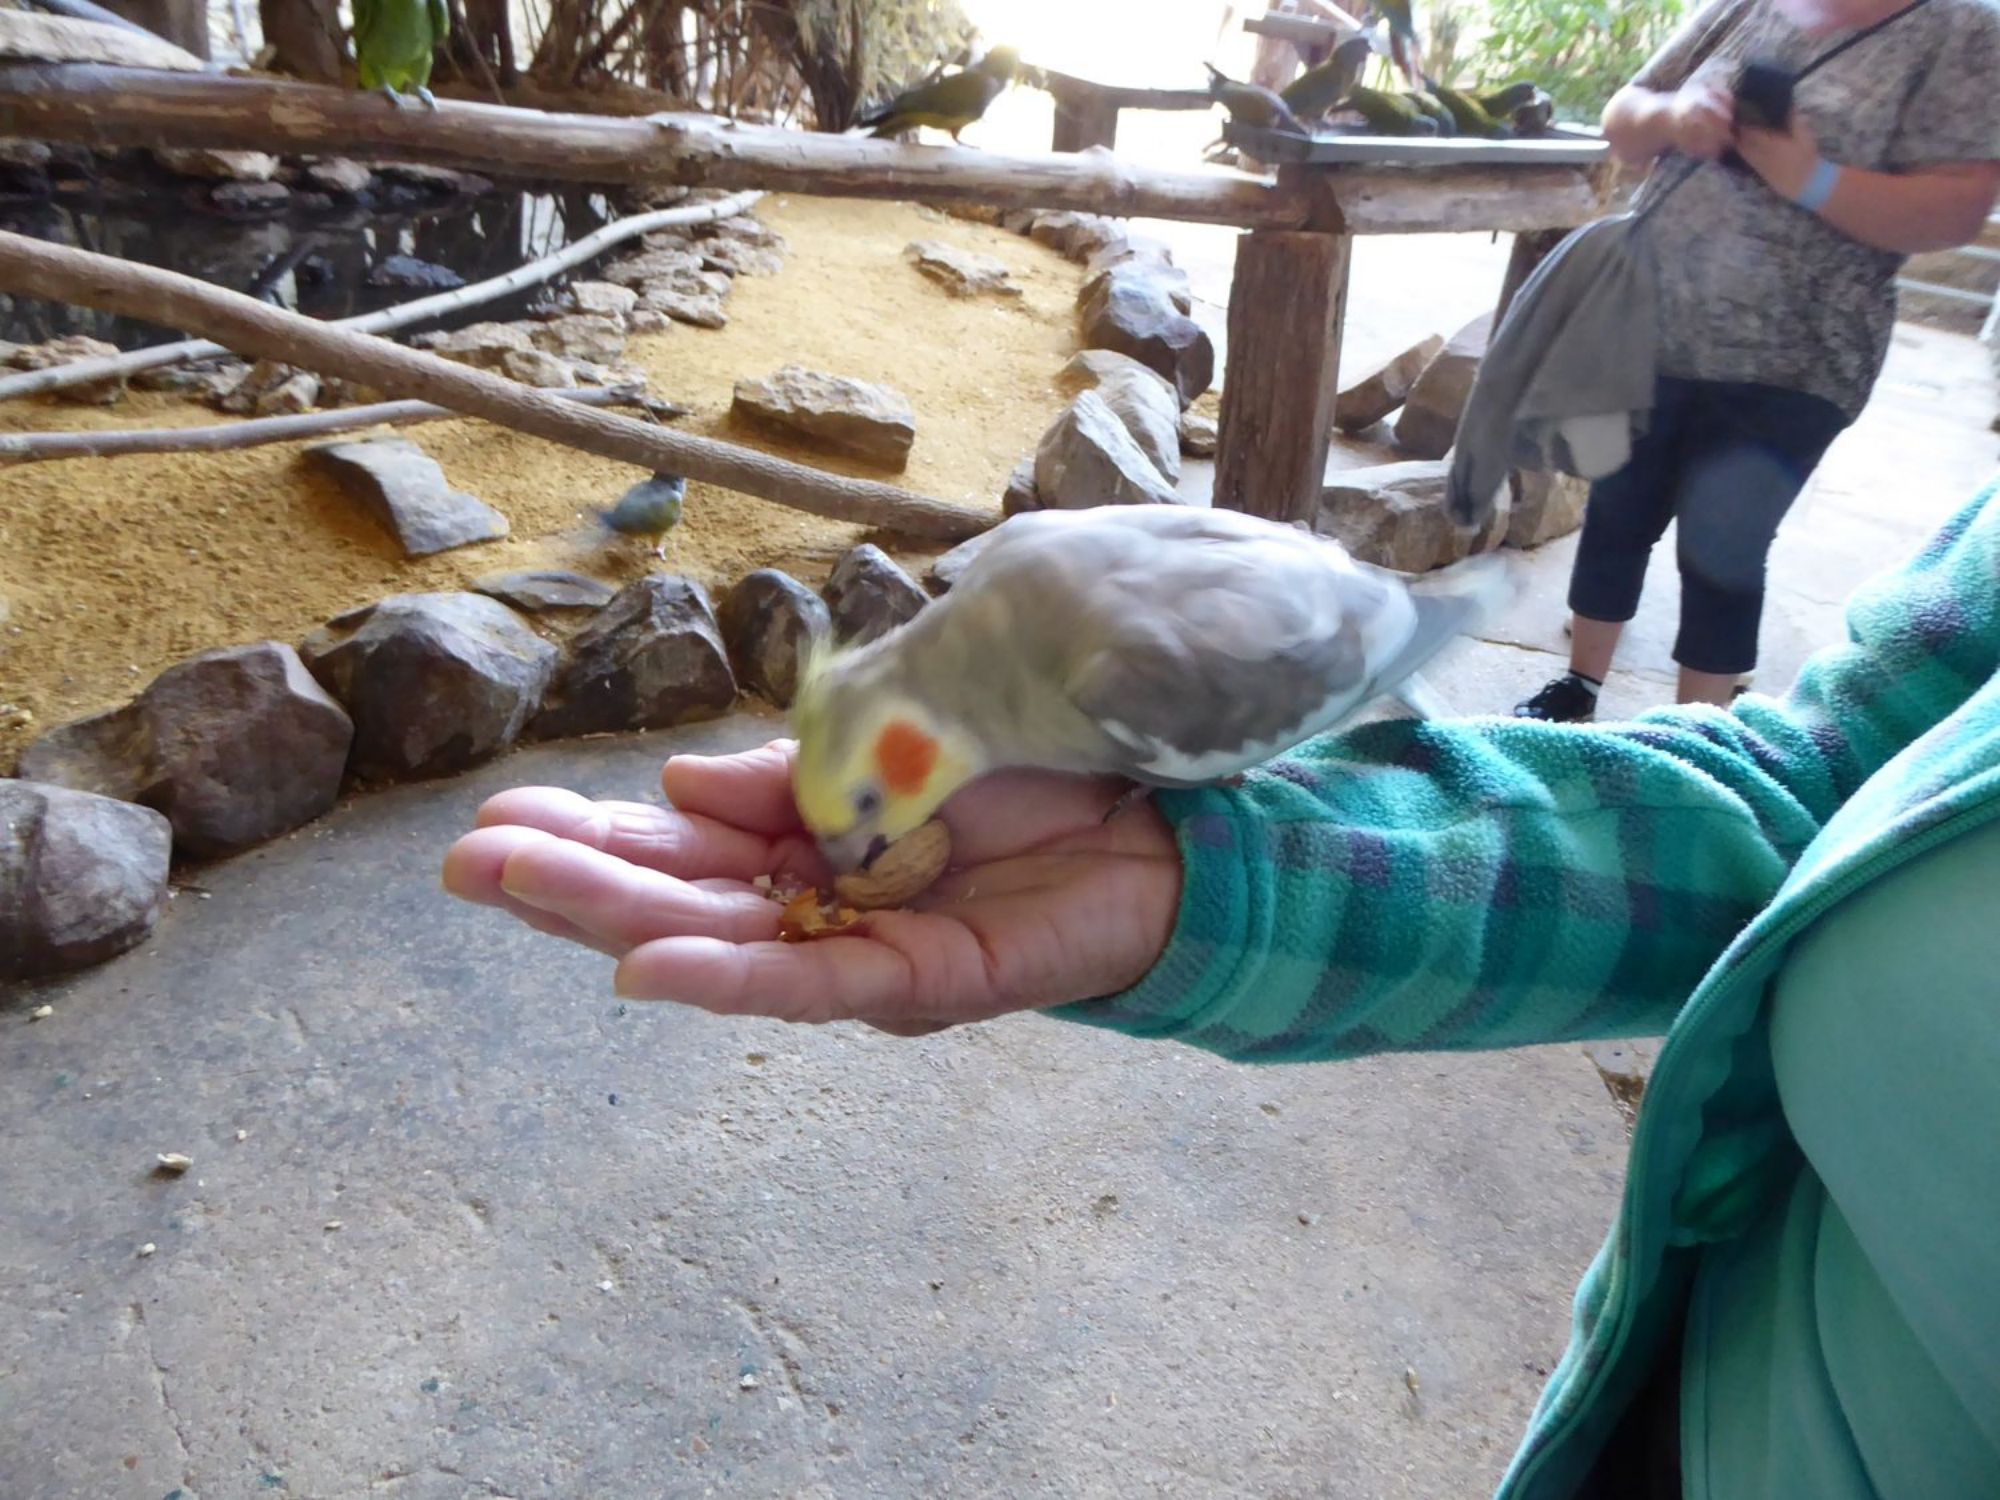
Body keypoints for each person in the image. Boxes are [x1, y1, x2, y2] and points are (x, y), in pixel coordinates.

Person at [445, 476, 2000, 1497]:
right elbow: (1833, 782)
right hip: (1669, 1403)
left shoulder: (1113, 675)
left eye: (868, 807)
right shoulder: (1002, 602)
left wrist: (1203, 820)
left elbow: (1285, 687)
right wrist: (1211, 900)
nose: (861, 844)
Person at [1510, 0, 2000, 724]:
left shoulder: (1963, 27)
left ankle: (1694, 736)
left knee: (1724, 543)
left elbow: (1958, 209)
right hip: (1652, 319)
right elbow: (1625, 116)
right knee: (1616, 509)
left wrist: (1811, 177)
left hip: (1799, 354)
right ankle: (1577, 685)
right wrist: (1675, 116)